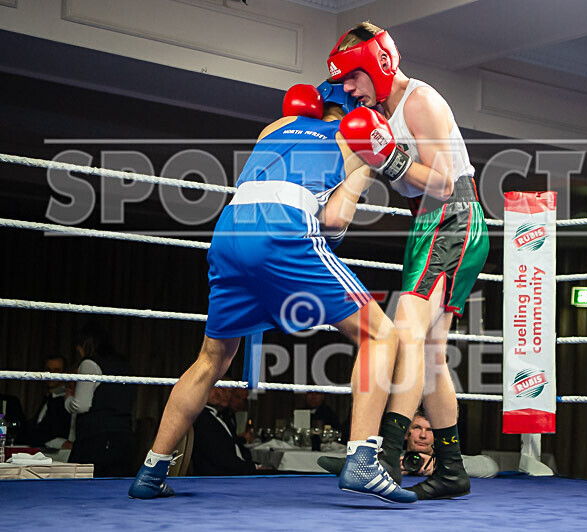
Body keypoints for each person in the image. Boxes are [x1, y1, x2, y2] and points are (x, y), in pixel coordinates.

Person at [129, 83, 416, 503]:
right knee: (382, 334)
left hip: (228, 233)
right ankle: (363, 457)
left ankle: (151, 471)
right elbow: (334, 223)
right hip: (282, 231)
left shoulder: (276, 125)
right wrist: (362, 174)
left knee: (211, 359)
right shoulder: (356, 142)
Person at [322, 21, 490, 499]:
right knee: (431, 356)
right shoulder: (373, 112)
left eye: (353, 77)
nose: (350, 89)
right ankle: (452, 469)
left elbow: (440, 182)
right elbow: (353, 168)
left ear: (378, 64)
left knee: (407, 331)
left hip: (454, 215)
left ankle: (387, 456)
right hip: (428, 225)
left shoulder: (421, 100)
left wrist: (387, 156)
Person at [66, 323, 136, 476]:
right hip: (123, 438)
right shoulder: (125, 365)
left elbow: (81, 405)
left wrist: (68, 399)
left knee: (81, 488)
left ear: (84, 344)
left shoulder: (89, 364)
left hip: (95, 440)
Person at [401, 410, 498, 479]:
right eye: (417, 428)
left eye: (430, 430)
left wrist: (441, 465)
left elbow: (490, 467)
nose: (423, 435)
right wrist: (390, 468)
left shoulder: (448, 460)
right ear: (406, 433)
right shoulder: (393, 458)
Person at [191, 386, 259, 476]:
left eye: (229, 392)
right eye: (220, 389)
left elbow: (228, 444)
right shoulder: (202, 418)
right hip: (221, 477)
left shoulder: (223, 416)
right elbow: (220, 457)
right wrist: (253, 467)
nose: (221, 394)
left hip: (234, 470)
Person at [26, 355, 73, 450]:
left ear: (64, 373)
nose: (50, 374)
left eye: (56, 370)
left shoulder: (67, 400)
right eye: (48, 370)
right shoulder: (47, 398)